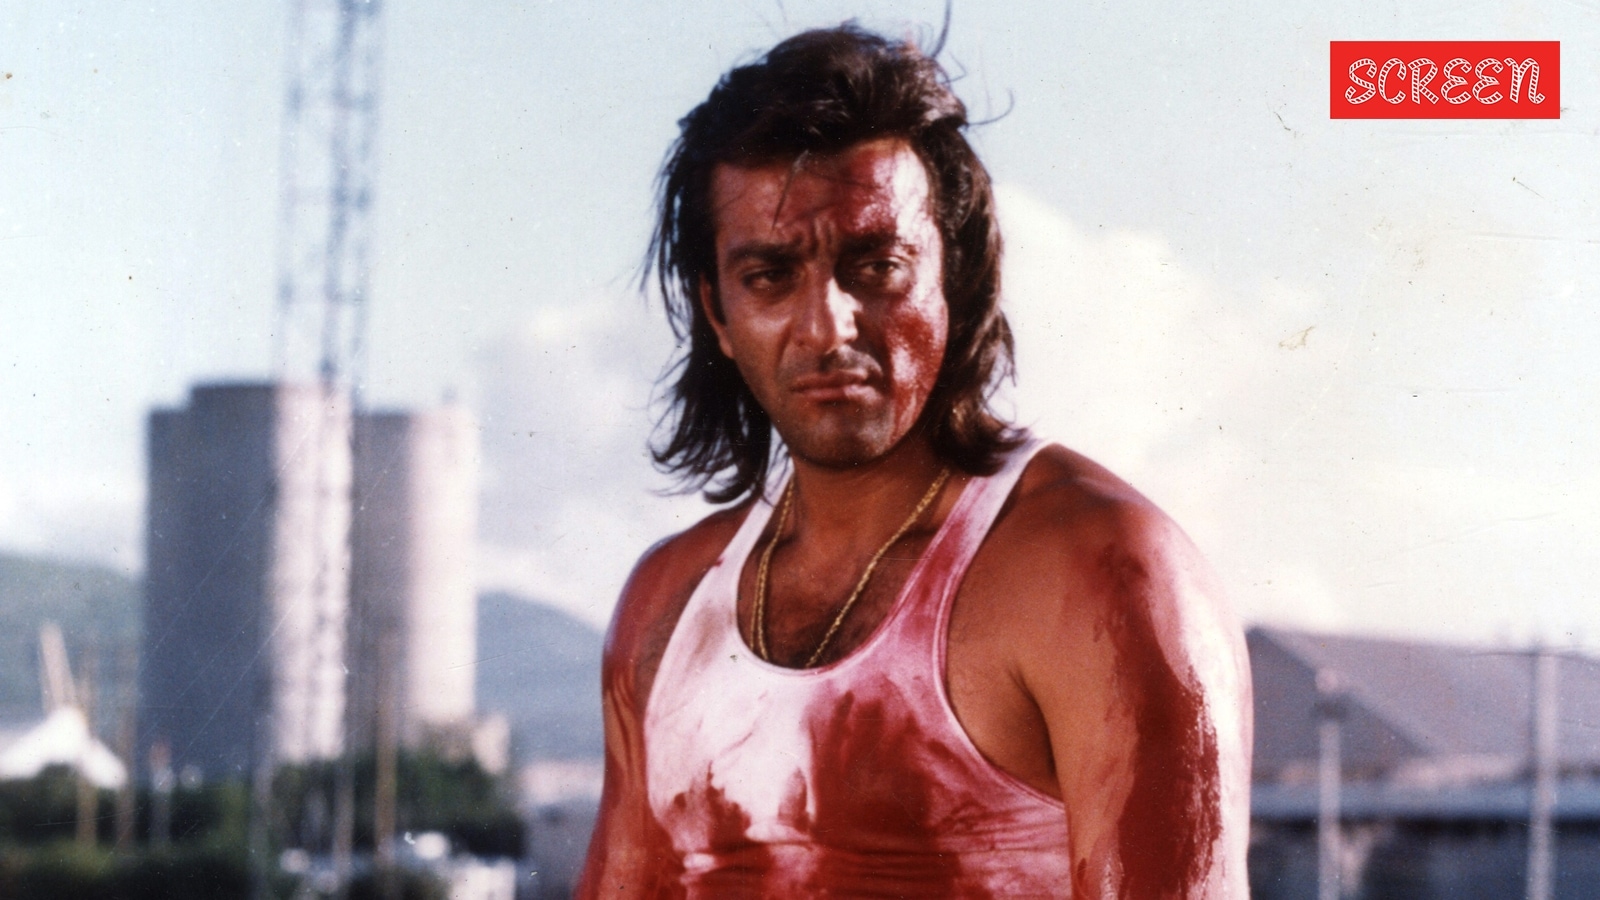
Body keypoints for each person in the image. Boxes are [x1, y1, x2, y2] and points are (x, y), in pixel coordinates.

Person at [577, 23, 1251, 899]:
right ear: (719, 315)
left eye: (876, 265)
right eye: (771, 276)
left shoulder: (1105, 576)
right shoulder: (666, 606)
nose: (827, 326)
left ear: (955, 273)